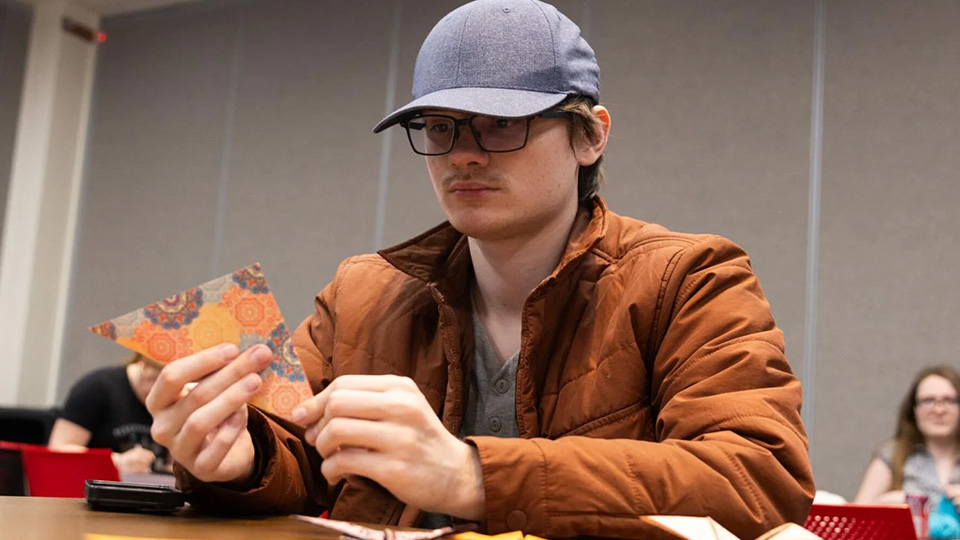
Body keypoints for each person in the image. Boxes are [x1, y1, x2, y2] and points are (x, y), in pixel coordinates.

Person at [144, 0, 814, 537]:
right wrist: (237, 461)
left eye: (500, 124)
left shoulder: (690, 279)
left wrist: (472, 476)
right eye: (439, 127)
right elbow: (300, 459)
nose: (461, 155)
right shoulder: (364, 291)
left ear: (591, 135)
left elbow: (757, 475)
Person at [855, 366, 960, 509]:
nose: (939, 410)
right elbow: (858, 513)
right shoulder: (893, 453)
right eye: (928, 401)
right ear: (913, 409)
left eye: (949, 400)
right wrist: (897, 502)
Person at [49, 352, 169, 474]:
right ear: (145, 366)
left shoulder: (174, 400)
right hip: (91, 486)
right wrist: (117, 461)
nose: (163, 398)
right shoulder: (97, 387)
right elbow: (58, 451)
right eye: (155, 383)